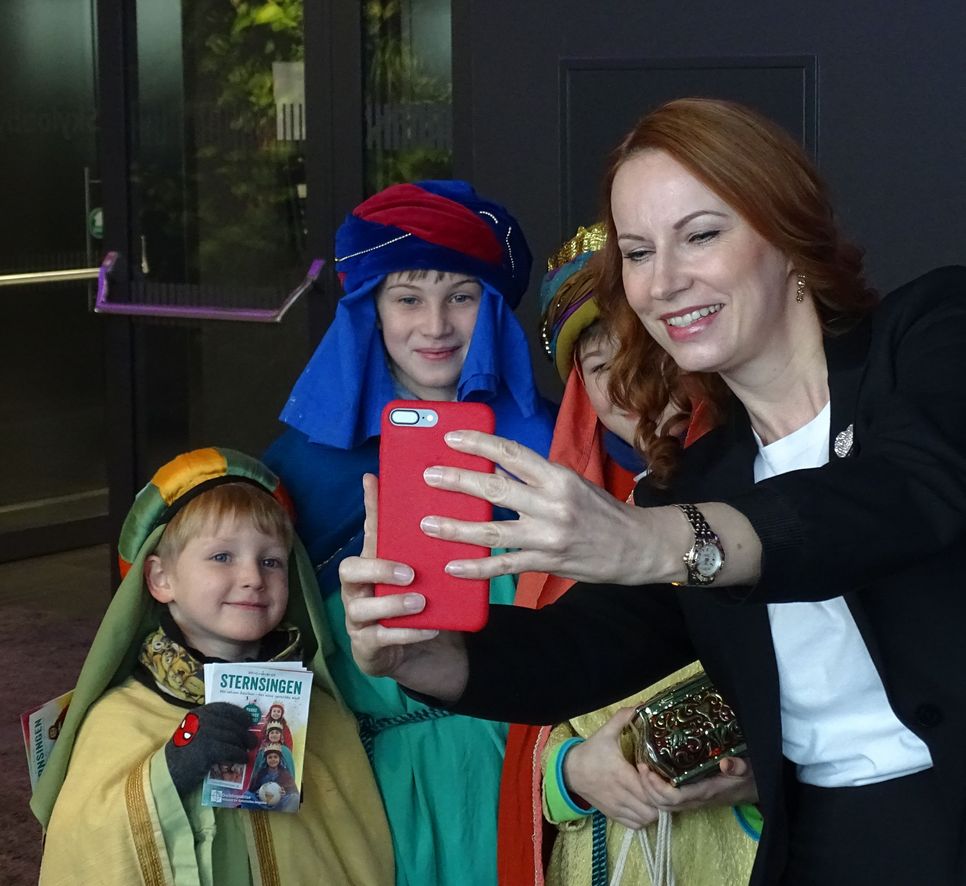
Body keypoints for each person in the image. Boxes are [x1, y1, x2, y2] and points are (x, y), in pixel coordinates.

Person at [339, 98, 966, 885]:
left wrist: (664, 541)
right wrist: (429, 654)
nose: (665, 281)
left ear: (789, 233)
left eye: (701, 234)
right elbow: (582, 649)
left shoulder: (933, 328)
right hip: (824, 848)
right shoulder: (702, 481)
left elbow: (910, 493)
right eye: (638, 253)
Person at [263, 180, 556, 886]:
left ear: (492, 308)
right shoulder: (300, 466)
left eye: (461, 295)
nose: (435, 325)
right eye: (408, 297)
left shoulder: (558, 443)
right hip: (366, 783)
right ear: (371, 310)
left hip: (526, 771)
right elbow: (265, 628)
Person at [498, 225, 758, 886]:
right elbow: (540, 728)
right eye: (603, 369)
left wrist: (766, 770)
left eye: (652, 353)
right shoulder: (559, 529)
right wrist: (572, 773)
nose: (636, 390)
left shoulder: (770, 499)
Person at [33, 447, 393, 885]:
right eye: (222, 556)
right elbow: (83, 841)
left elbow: (354, 844)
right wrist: (170, 770)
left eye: (271, 561)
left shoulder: (322, 715)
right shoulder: (119, 716)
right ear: (161, 579)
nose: (252, 577)